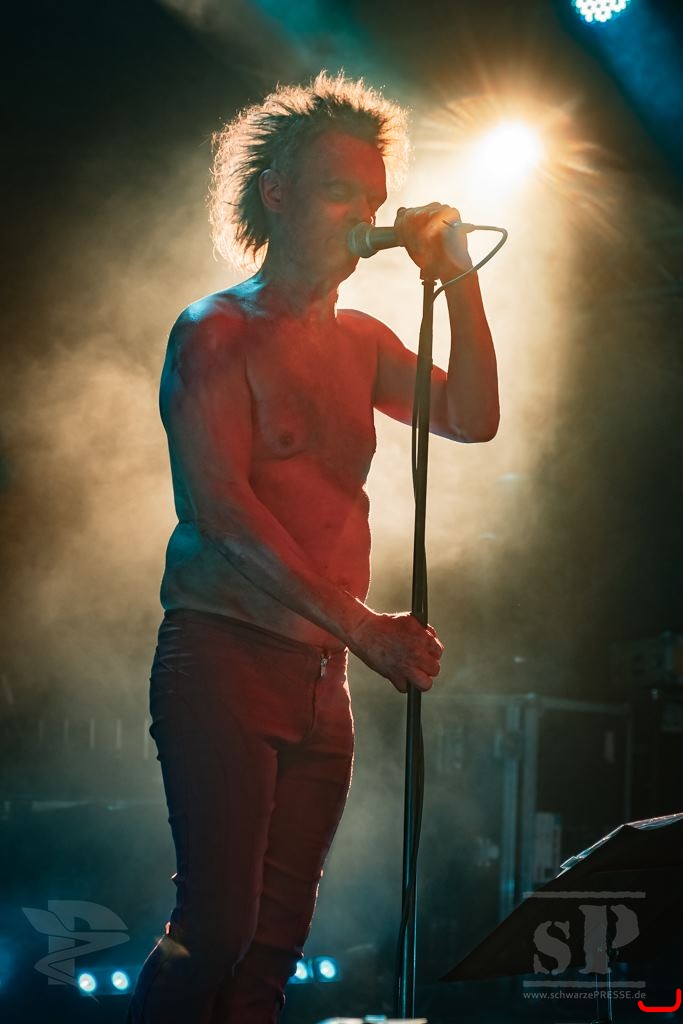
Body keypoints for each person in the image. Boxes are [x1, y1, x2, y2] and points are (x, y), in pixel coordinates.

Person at [127, 71, 499, 1024]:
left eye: (373, 199)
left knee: (270, 957)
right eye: (340, 193)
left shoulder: (364, 341)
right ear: (277, 194)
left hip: (321, 677)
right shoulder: (213, 332)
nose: (364, 217)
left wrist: (456, 276)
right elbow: (222, 516)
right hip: (222, 659)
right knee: (215, 930)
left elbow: (471, 416)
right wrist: (366, 627)